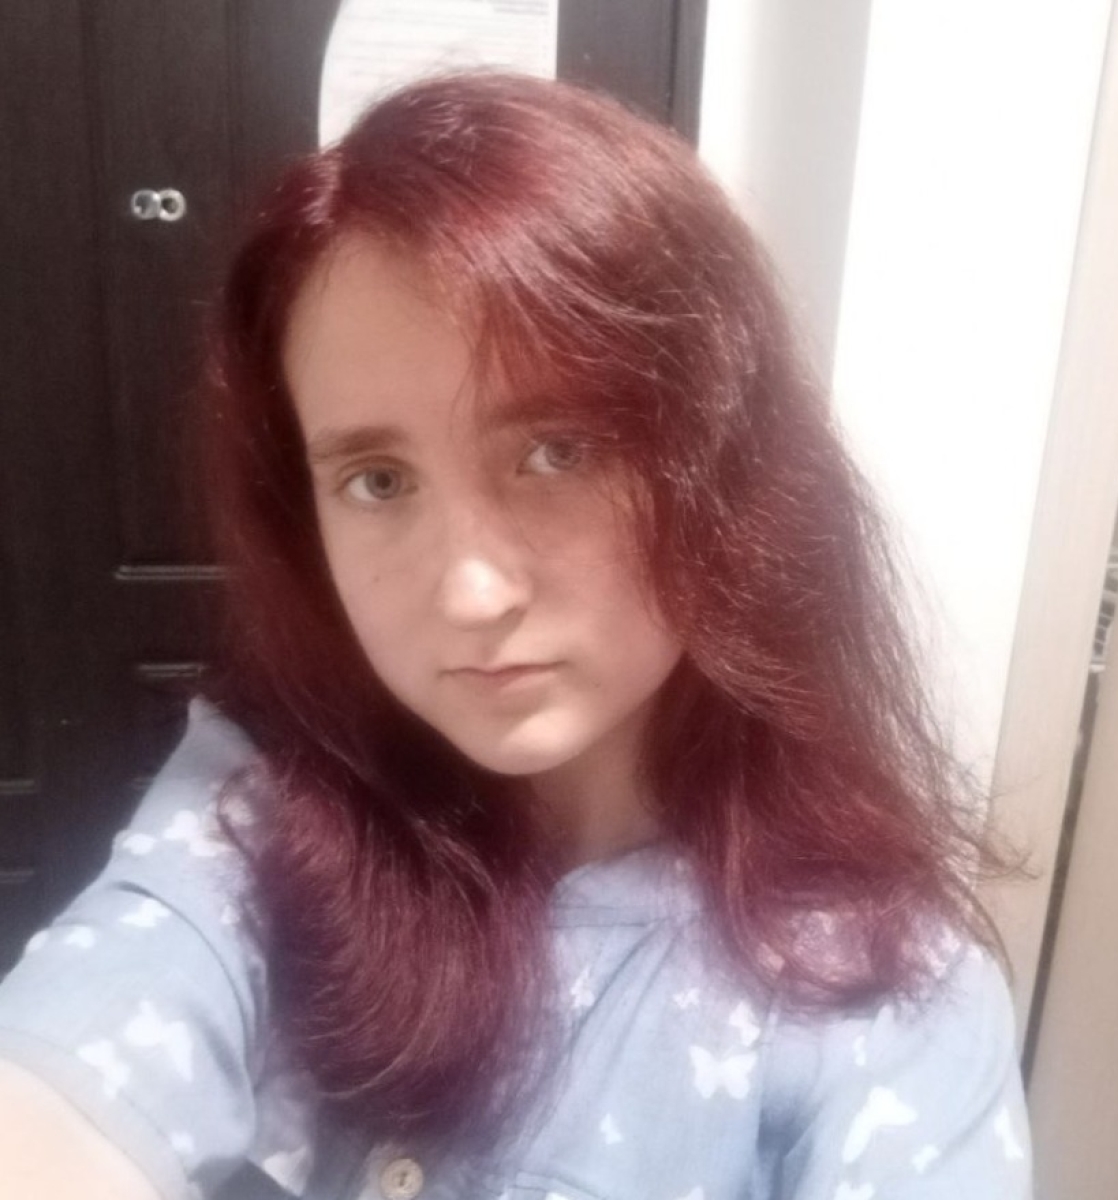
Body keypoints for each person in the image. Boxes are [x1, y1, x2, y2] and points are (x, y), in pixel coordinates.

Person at [0, 71, 1032, 1199]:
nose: (471, 593)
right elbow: (77, 1060)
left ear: (724, 466)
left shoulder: (884, 1002)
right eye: (378, 479)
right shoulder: (261, 808)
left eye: (558, 452)